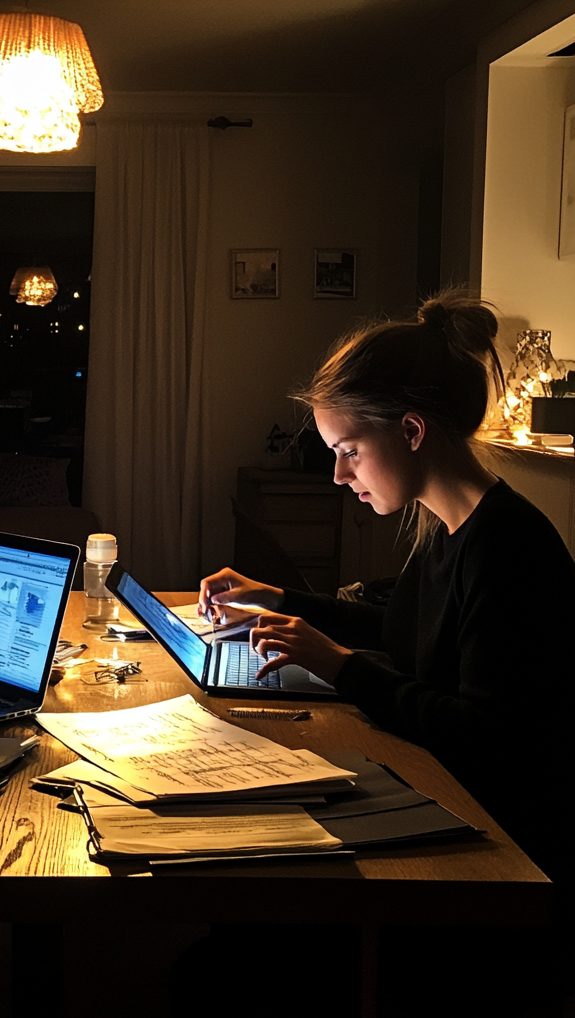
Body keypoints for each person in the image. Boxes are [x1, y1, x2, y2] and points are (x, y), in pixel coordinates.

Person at [199, 292, 575, 883]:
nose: (339, 475)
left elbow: (487, 738)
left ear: (411, 430)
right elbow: (409, 633)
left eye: (349, 451)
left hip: (506, 851)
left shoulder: (507, 546)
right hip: (453, 794)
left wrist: (340, 666)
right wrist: (280, 601)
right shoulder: (449, 526)